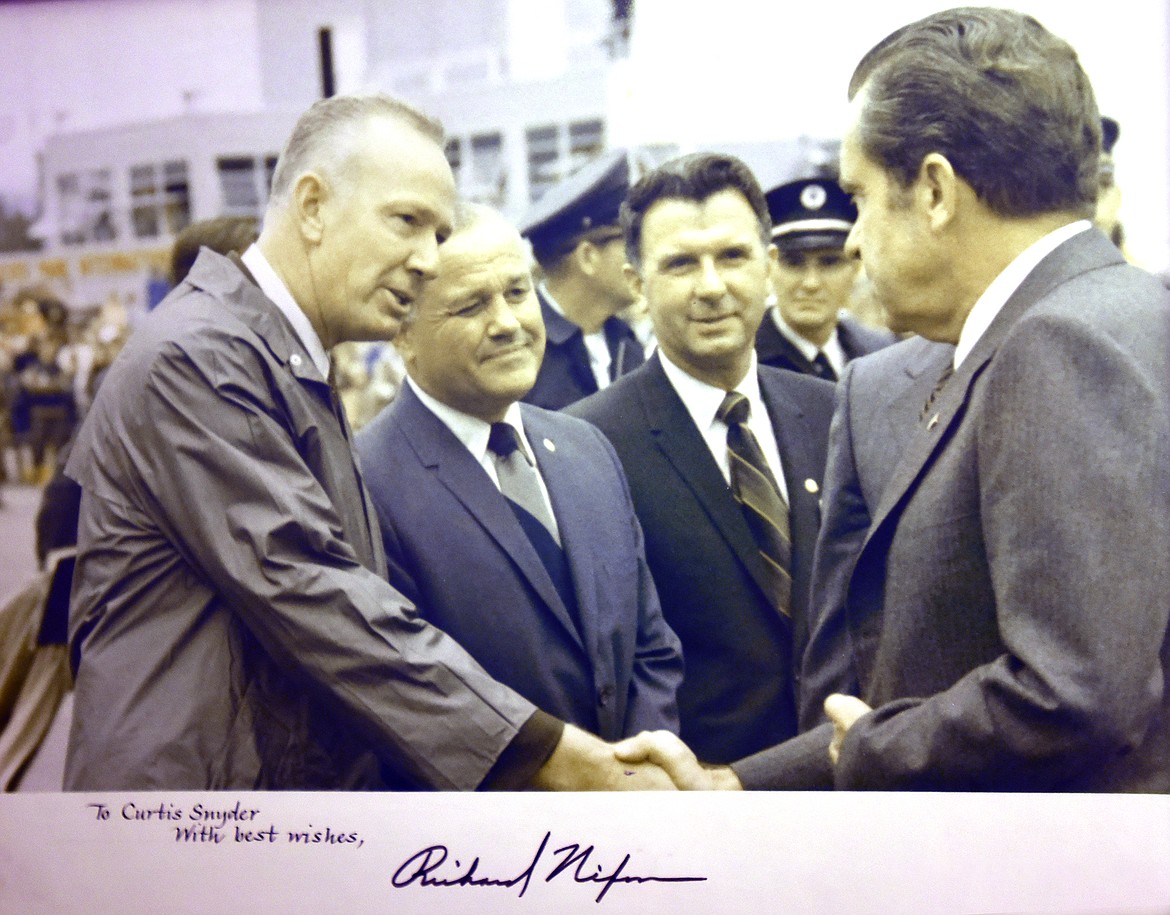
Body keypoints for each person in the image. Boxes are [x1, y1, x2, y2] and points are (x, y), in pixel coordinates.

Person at [620, 7, 1170, 792]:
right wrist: (735, 785)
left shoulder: (1059, 345)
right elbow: (903, 671)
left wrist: (872, 749)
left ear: (937, 190)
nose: (850, 239)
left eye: (862, 195)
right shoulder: (1118, 312)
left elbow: (1074, 695)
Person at [62, 93, 679, 792]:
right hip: (185, 825)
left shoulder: (276, 357)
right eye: (407, 221)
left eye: (438, 232)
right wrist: (547, 754)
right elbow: (315, 594)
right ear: (315, 205)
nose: (426, 259)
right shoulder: (199, 356)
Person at [355, 204, 682, 745]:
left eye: (517, 293)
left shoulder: (586, 447)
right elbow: (410, 700)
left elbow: (649, 644)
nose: (507, 323)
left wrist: (635, 771)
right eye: (470, 306)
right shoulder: (366, 482)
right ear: (402, 334)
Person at [568, 152, 835, 765]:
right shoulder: (589, 445)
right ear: (637, 285)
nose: (711, 286)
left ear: (768, 267)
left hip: (848, 782)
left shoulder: (835, 415)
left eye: (733, 257)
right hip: (697, 804)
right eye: (681, 263)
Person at [518, 149, 645, 409]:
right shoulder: (521, 349)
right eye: (631, 245)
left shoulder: (625, 343)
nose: (642, 259)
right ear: (588, 256)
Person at [755, 178, 894, 380]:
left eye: (829, 263)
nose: (811, 283)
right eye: (794, 263)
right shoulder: (744, 358)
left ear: (855, 267)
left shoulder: (880, 353)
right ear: (769, 266)